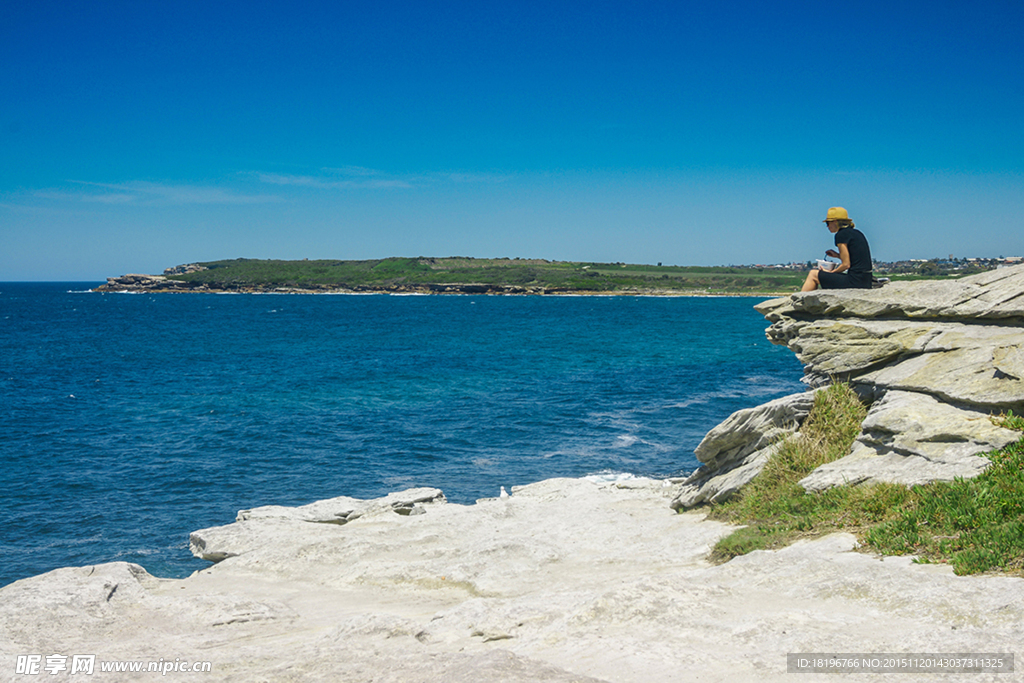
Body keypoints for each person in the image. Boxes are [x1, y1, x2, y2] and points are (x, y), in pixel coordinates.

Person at [801, 207, 873, 291]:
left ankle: (799, 301)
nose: (827, 226)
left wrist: (831, 272)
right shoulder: (856, 233)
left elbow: (846, 265)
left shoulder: (841, 235)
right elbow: (855, 259)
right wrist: (837, 255)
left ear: (835, 222)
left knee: (813, 274)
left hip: (855, 281)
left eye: (828, 223)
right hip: (865, 280)